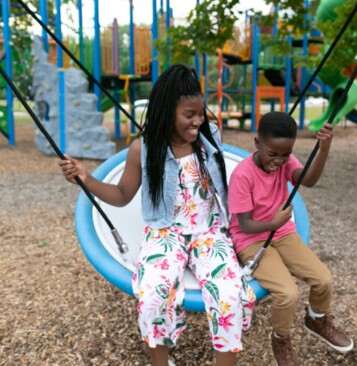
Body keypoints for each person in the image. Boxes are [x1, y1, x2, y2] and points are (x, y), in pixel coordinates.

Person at [59, 64, 255, 366]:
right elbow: (122, 195)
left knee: (228, 296)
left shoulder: (210, 136)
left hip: (209, 233)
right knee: (152, 296)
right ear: (166, 111)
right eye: (188, 115)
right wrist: (86, 178)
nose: (197, 121)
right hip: (166, 233)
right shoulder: (144, 148)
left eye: (200, 113)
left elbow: (230, 178)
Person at [227, 111, 353, 366]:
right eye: (273, 153)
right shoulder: (242, 175)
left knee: (323, 279)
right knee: (288, 293)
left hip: (282, 234)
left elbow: (308, 180)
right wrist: (273, 222)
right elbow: (244, 224)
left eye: (286, 154)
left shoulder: (285, 160)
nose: (279, 160)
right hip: (251, 239)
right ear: (257, 144)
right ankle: (280, 339)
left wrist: (324, 150)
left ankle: (316, 319)